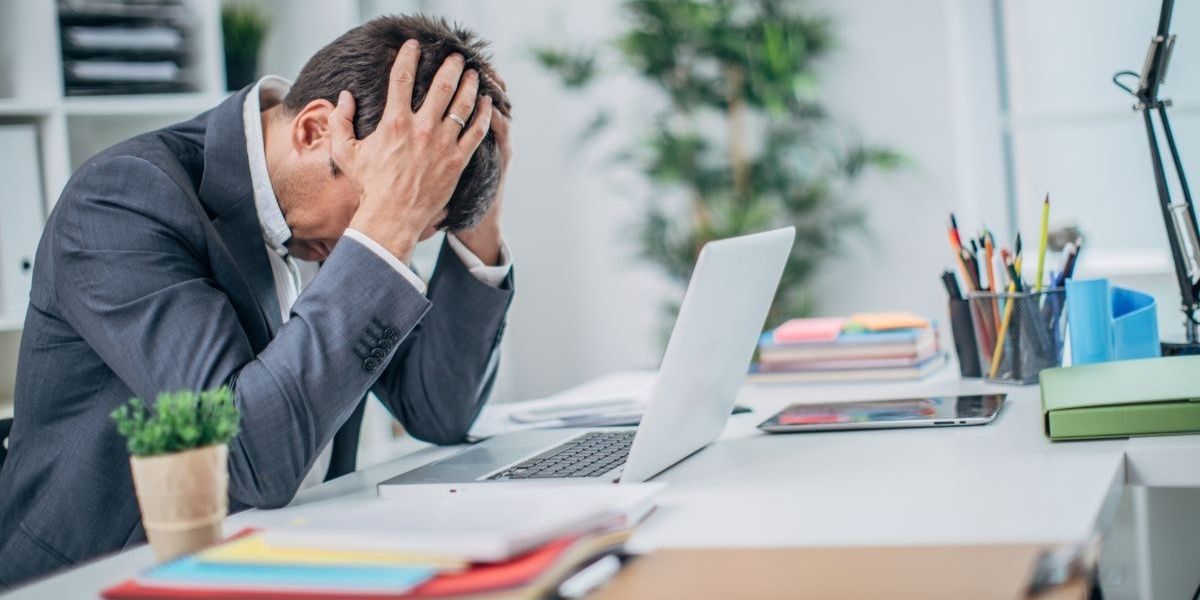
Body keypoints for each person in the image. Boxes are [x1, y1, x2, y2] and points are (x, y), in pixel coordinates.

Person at [0, 15, 513, 588]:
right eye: (387, 212)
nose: (377, 237)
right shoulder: (124, 199)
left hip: (296, 552)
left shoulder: (338, 201)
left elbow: (436, 409)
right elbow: (246, 458)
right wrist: (384, 225)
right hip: (105, 576)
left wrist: (474, 220)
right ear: (316, 130)